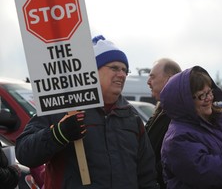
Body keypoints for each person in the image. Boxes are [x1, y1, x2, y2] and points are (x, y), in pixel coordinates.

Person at [15, 35, 159, 189]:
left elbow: (147, 175)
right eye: (114, 68)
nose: (122, 74)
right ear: (92, 72)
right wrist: (58, 134)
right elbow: (24, 152)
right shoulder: (64, 107)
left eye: (125, 70)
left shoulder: (132, 117)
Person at [145, 58, 181, 189]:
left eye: (152, 77)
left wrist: (150, 175)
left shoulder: (179, 115)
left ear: (170, 79)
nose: (148, 82)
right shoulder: (160, 111)